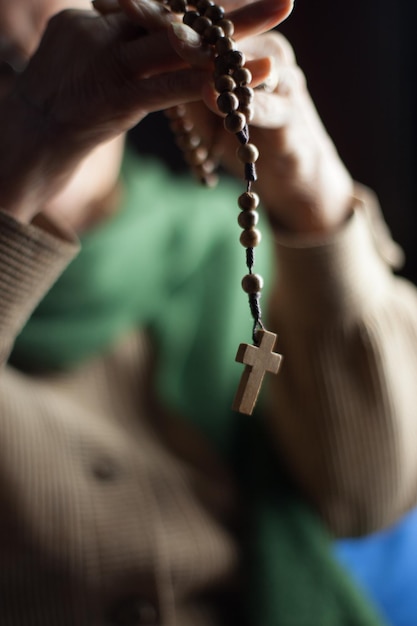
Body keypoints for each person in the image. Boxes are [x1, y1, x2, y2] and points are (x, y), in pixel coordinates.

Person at [0, 0, 415, 624]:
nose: (46, 79)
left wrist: (311, 196)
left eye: (72, 42)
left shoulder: (230, 244)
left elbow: (366, 499)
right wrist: (25, 155)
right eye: (10, 69)